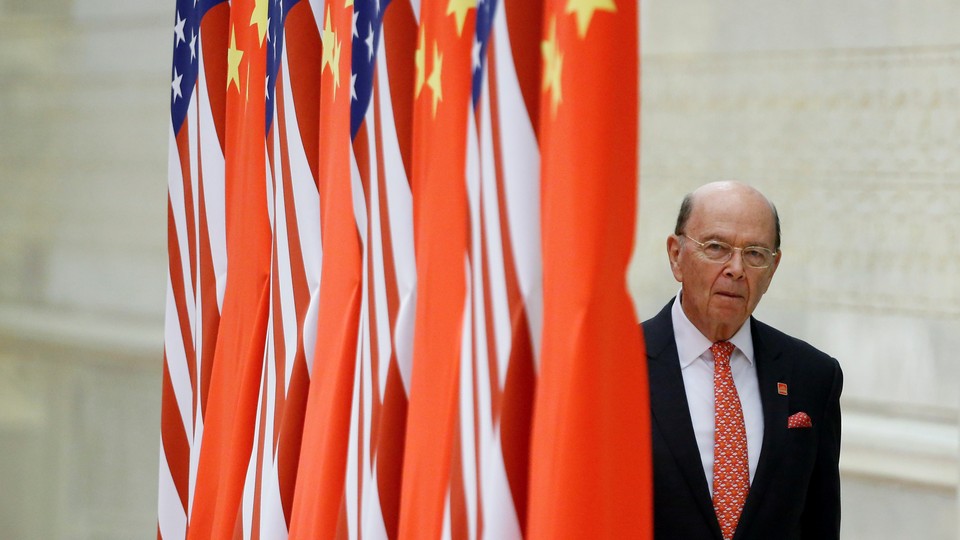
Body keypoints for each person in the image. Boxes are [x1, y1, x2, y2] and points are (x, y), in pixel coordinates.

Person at [641, 181, 842, 540]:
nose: (736, 269)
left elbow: (819, 522)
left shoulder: (812, 376)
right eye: (716, 247)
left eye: (754, 253)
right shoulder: (615, 368)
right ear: (676, 255)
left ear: (773, 267)